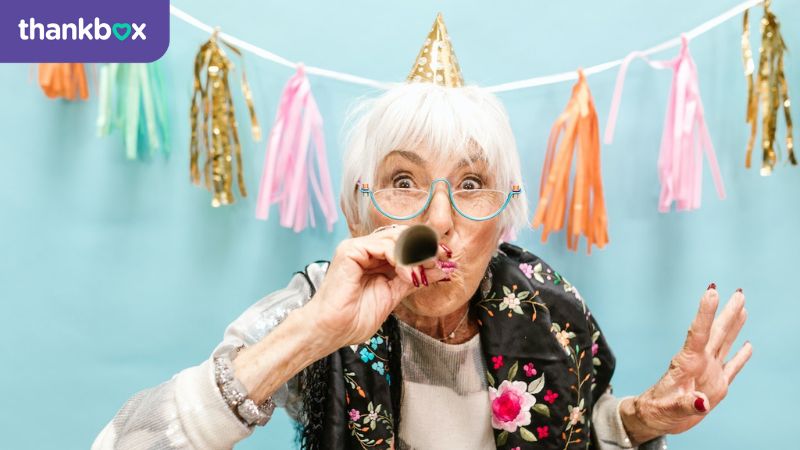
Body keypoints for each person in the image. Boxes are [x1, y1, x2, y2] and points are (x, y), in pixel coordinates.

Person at [92, 13, 752, 450]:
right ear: (359, 213)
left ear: (504, 219)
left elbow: (586, 431)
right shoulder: (316, 307)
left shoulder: (551, 311)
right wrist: (312, 335)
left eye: (470, 184)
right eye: (404, 182)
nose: (439, 222)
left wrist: (640, 422)